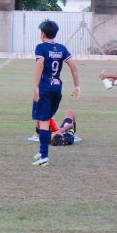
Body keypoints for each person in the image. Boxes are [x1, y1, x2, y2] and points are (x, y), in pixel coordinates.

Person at [32, 20, 80, 166]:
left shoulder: (40, 47)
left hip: (44, 88)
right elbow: (73, 66)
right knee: (43, 119)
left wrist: (35, 87)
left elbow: (40, 64)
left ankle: (44, 157)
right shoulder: (62, 48)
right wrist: (77, 85)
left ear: (42, 34)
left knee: (44, 122)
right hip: (57, 88)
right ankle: (42, 151)